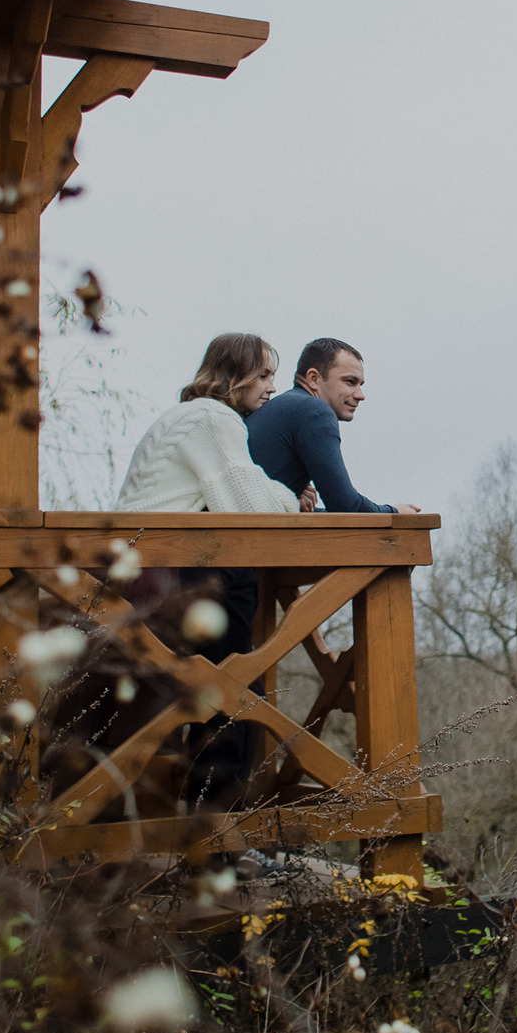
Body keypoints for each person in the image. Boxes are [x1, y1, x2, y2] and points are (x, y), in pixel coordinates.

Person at [87, 333, 310, 805]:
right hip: (166, 575)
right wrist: (293, 500)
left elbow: (233, 487)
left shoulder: (183, 418)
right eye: (265, 374)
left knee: (148, 705)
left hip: (133, 573)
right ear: (236, 374)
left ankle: (138, 833)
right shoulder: (214, 417)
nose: (271, 387)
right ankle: (217, 833)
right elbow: (250, 506)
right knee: (231, 693)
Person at [246, 336, 421, 514]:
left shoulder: (284, 407)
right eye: (350, 382)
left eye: (360, 384)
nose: (360, 395)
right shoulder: (314, 411)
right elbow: (345, 506)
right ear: (313, 379)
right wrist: (395, 513)